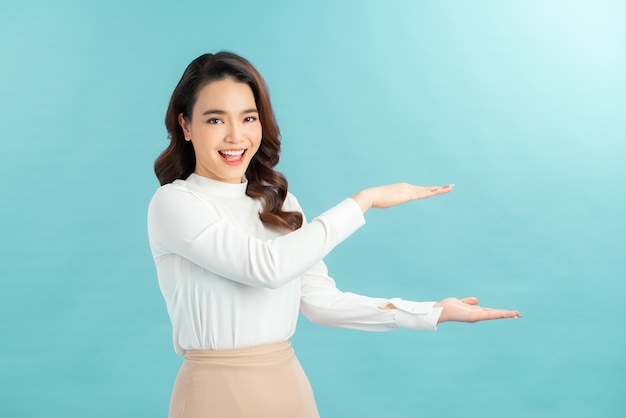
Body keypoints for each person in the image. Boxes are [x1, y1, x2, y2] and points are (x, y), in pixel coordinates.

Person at [147, 51, 520, 418]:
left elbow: (320, 301)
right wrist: (363, 201)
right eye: (215, 120)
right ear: (185, 125)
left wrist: (431, 312)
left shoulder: (279, 201)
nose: (236, 136)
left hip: (287, 385)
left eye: (248, 118)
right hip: (214, 394)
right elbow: (265, 267)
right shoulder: (175, 204)